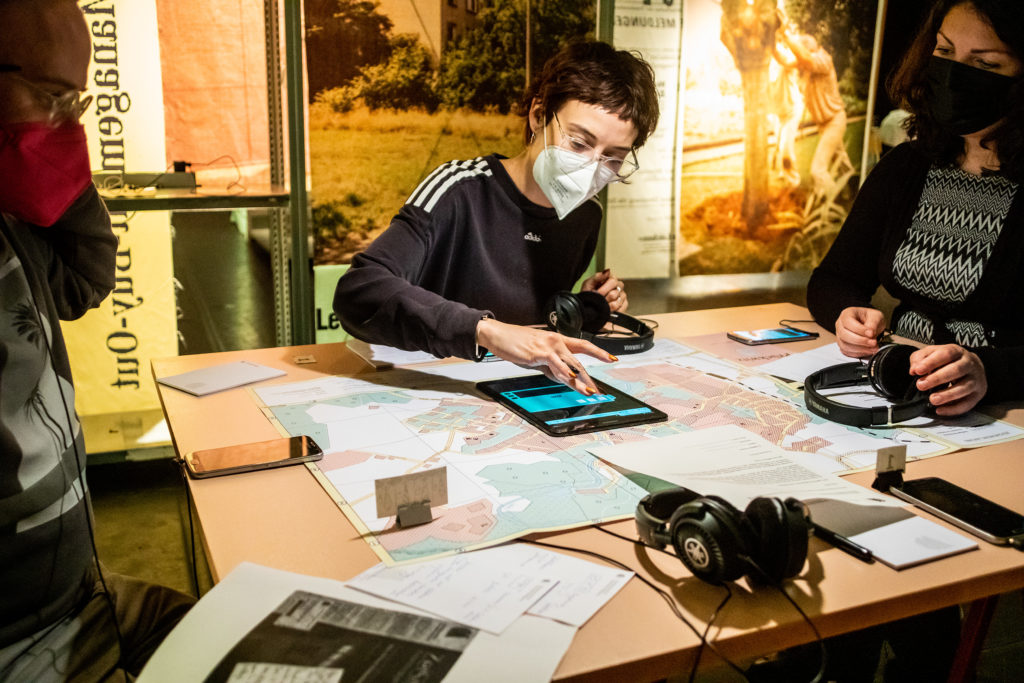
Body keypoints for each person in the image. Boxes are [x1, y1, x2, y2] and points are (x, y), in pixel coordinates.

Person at [0, 1, 193, 680]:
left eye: (77, 102)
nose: (67, 123)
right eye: (50, 96)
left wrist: (57, 153)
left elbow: (84, 278)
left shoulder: (10, 224)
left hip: (79, 595)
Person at [333, 41, 659, 394]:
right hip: (428, 386)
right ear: (538, 115)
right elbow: (359, 290)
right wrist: (485, 329)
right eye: (579, 144)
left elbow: (528, 322)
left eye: (612, 157)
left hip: (511, 390)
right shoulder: (459, 190)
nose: (591, 167)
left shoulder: (585, 217)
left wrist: (579, 306)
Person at [807, 0, 1024, 419]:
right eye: (944, 53)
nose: (955, 75)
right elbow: (833, 279)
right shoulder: (908, 166)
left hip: (1000, 416)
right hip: (900, 389)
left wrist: (989, 373)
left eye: (988, 64)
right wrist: (846, 316)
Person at [778, 21, 853, 196]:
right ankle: (853, 192)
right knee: (842, 163)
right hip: (824, 124)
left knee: (818, 170)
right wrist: (771, 42)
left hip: (834, 121)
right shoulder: (807, 64)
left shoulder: (823, 59)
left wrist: (785, 32)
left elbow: (803, 57)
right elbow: (784, 60)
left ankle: (834, 205)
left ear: (809, 48)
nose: (797, 57)